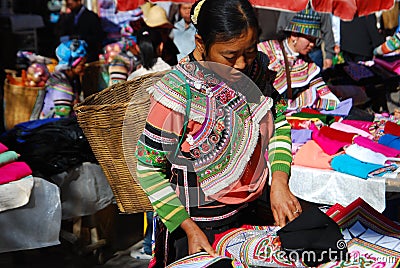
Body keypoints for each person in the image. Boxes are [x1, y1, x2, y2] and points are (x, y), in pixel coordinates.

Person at [135, 0, 301, 265]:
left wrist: (279, 181)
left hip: (250, 215)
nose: (242, 63)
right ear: (201, 43)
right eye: (230, 55)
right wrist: (188, 228)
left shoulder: (255, 70)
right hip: (196, 229)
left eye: (249, 50)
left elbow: (278, 121)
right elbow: (148, 169)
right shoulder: (179, 93)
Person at [258, 8, 341, 112]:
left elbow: (323, 91)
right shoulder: (266, 50)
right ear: (294, 35)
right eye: (309, 39)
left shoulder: (307, 63)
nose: (312, 45)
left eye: (314, 40)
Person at [39, 39, 87, 119]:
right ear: (72, 65)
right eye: (82, 65)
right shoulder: (61, 85)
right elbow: (62, 118)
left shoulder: (70, 79)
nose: (84, 67)